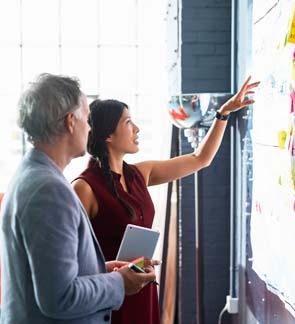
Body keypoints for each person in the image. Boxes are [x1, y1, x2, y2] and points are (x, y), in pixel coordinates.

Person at [72, 76, 260, 324]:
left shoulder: (140, 173)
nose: (137, 129)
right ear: (108, 136)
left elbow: (199, 159)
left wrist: (223, 114)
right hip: (111, 294)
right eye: (128, 122)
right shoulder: (84, 188)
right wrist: (110, 271)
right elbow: (71, 260)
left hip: (143, 287)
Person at [0, 73, 157, 324]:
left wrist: (100, 271)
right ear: (70, 122)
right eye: (86, 118)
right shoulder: (48, 191)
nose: (90, 128)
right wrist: (119, 282)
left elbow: (50, 276)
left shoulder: (35, 174)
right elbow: (59, 297)